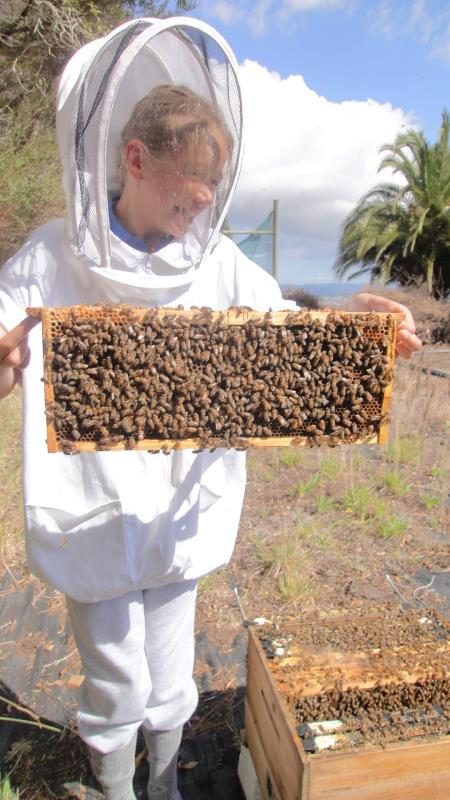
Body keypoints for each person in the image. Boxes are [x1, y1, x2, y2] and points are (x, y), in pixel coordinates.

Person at [0, 16, 421, 800]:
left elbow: (285, 336)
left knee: (169, 676)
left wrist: (357, 329)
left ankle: (163, 785)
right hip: (90, 517)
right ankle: (117, 787)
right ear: (135, 159)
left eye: (213, 180)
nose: (205, 196)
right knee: (116, 683)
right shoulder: (51, 256)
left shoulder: (219, 263)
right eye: (192, 175)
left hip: (179, 515)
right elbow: (2, 339)